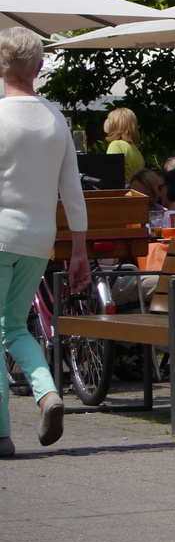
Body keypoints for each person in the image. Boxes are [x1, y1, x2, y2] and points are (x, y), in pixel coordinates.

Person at [0, 27, 89, 454]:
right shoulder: (55, 119)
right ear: (39, 67)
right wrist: (79, 250)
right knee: (15, 326)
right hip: (39, 239)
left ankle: (1, 433)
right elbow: (72, 190)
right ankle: (48, 393)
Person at [103, 107, 144, 183]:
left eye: (109, 119)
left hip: (122, 192)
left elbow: (112, 174)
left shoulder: (116, 145)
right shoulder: (134, 148)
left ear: (115, 124)